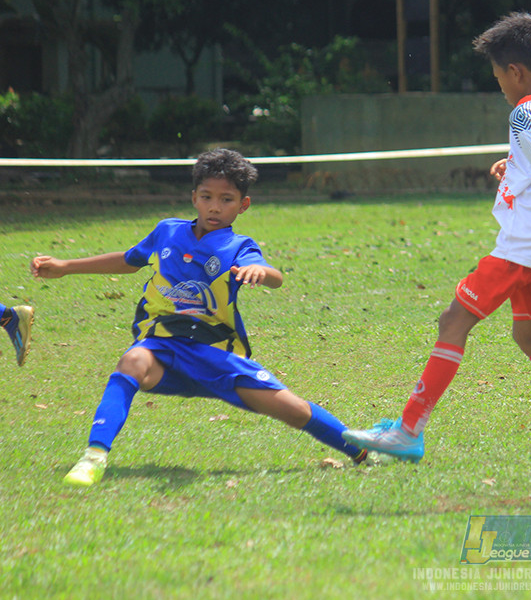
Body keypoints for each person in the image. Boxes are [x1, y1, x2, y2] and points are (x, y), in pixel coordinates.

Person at [343, 12, 531, 469]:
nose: (500, 87)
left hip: (527, 244)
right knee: (528, 334)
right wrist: (516, 165)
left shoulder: (524, 114)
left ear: (515, 72)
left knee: (452, 322)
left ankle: (408, 431)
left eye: (498, 78)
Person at [31, 148, 369, 487]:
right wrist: (65, 267)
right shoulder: (167, 232)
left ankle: (364, 450)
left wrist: (260, 272)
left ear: (243, 205)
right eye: (207, 197)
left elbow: (274, 276)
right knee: (132, 361)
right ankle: (93, 458)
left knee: (294, 410)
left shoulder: (239, 246)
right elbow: (129, 260)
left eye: (226, 199)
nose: (214, 207)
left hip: (215, 355)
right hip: (163, 347)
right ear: (194, 197)